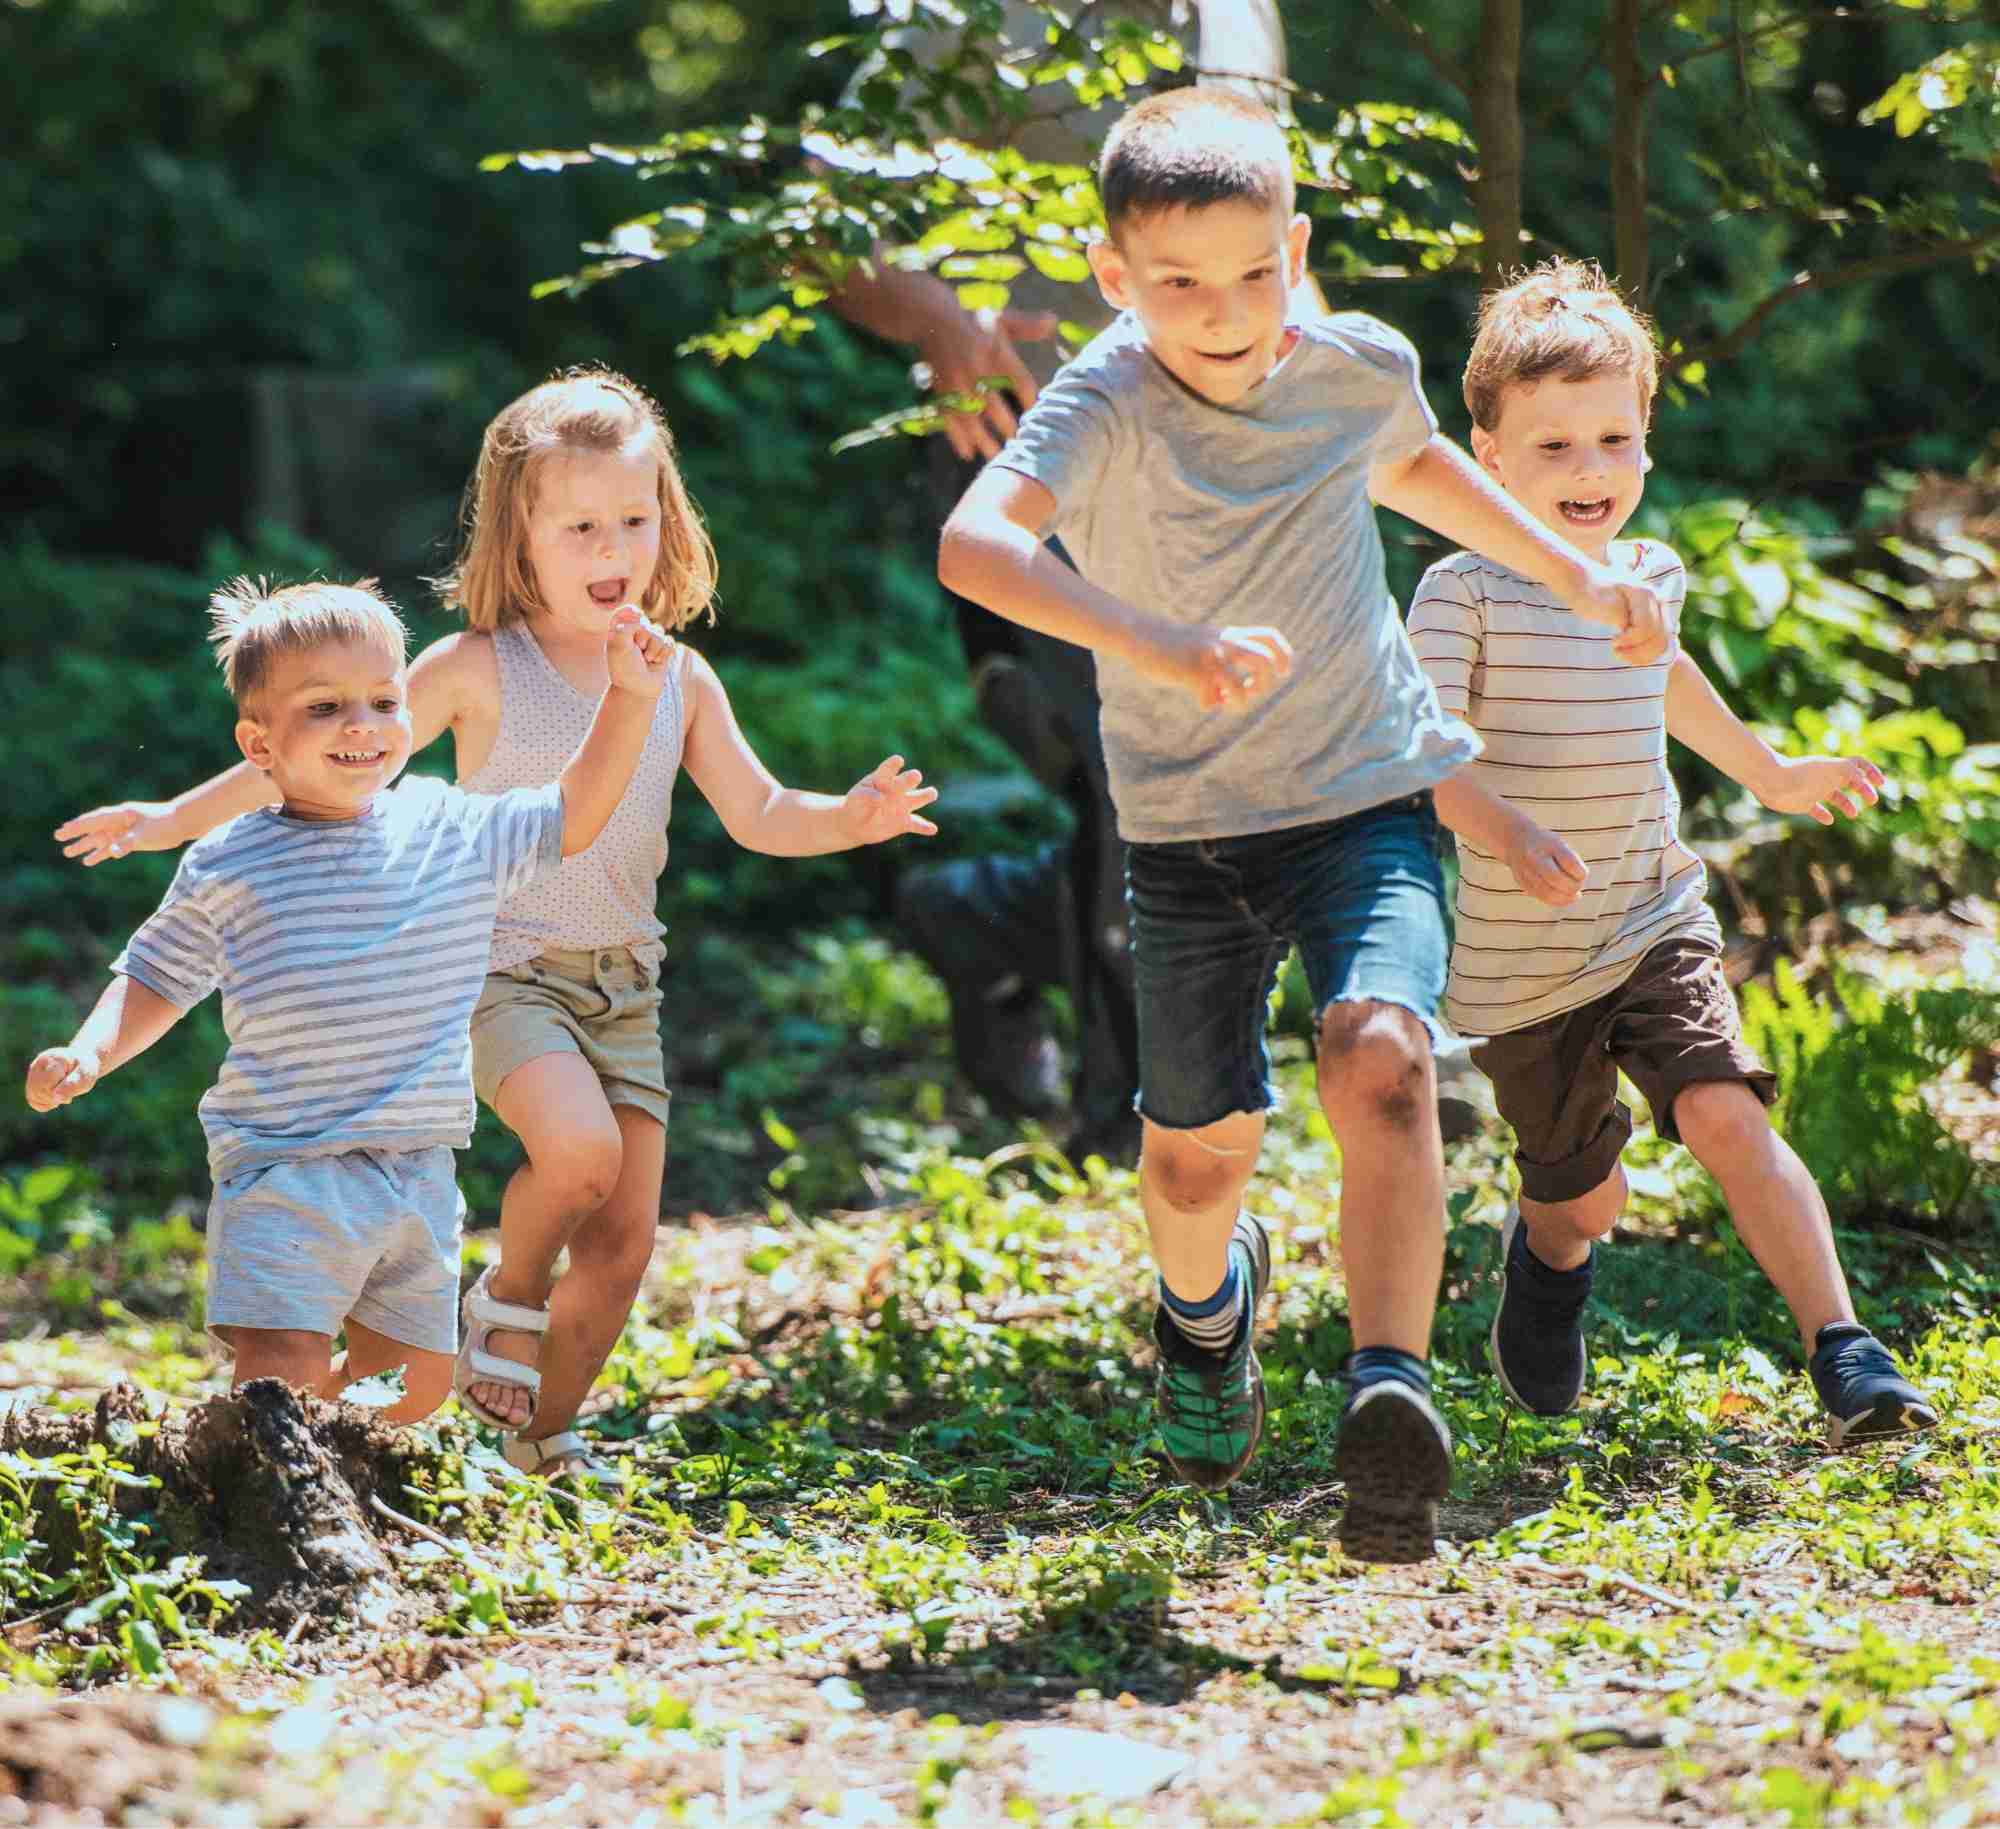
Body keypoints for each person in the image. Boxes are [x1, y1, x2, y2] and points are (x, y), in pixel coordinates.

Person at [937, 90, 1671, 1560]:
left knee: (1384, 1056)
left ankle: (1387, 1396)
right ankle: (1207, 1321)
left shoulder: (1357, 368)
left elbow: (1419, 468)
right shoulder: (1100, 399)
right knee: (1198, 1154)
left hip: (1362, 796)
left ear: (1300, 247)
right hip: (1188, 838)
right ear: (1112, 277)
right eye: (1181, 284)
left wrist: (1578, 578)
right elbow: (976, 545)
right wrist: (1152, 641)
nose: (1224, 312)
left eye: (1257, 272)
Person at [52, 367, 940, 1480]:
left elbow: (760, 814)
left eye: (634, 516)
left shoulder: (678, 675)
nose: (612, 542)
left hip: (626, 982)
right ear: (523, 534)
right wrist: (169, 818)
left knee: (621, 1239)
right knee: (576, 1152)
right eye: (580, 524)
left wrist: (849, 817)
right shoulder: (476, 665)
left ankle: (539, 1431)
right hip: (499, 968)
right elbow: (324, 755)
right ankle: (504, 1295)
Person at [1406, 259, 1936, 1449]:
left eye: (1611, 438)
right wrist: (1504, 828)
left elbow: (1667, 683)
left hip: (1649, 913)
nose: (1588, 472)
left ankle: (1844, 1351)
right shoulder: (1460, 593)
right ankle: (1547, 1250)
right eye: (1551, 448)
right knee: (1585, 1194)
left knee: (1721, 1109)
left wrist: (1769, 773)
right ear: (1483, 457)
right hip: (1520, 966)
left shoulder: (1647, 576)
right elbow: (1419, 756)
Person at [27, 578, 674, 1425]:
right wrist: (91, 1050)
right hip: (286, 1162)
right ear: (258, 745)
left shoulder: (453, 829)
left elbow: (575, 809)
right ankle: (263, 1487)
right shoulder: (230, 862)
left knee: (411, 1386)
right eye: (325, 707)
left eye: (382, 699)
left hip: (416, 1167)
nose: (362, 725)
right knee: (281, 1369)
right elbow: (156, 974)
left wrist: (629, 696)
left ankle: (312, 1471)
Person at [822, 1, 1290, 1162]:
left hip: (1224, 476)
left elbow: (1276, 249)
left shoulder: (1245, 14)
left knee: (1223, 778)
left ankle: (974, 917)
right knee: (1139, 774)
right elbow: (824, 226)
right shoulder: (968, 17)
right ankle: (1136, 1128)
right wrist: (941, 320)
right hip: (1031, 475)